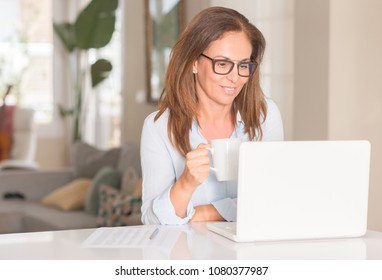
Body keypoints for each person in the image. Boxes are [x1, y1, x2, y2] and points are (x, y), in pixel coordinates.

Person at [140, 6, 284, 225]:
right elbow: (152, 221)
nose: (235, 77)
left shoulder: (265, 115)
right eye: (223, 64)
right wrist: (186, 184)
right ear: (194, 63)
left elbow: (273, 200)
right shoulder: (158, 127)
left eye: (243, 65)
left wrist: (203, 213)